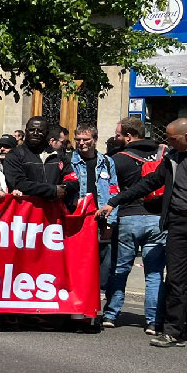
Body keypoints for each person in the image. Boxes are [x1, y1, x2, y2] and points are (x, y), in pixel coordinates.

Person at [99, 118, 187, 358]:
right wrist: (114, 202)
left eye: (172, 139)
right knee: (176, 280)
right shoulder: (171, 159)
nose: (166, 144)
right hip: (179, 224)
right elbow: (149, 183)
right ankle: (173, 332)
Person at [103, 117, 166, 333]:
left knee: (120, 268)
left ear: (129, 136)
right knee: (155, 272)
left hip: (129, 217)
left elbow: (110, 189)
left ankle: (111, 314)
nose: (116, 138)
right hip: (157, 218)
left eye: (118, 135)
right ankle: (153, 321)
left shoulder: (118, 159)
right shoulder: (162, 153)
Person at [71, 124, 119, 297]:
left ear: (95, 140)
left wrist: (110, 222)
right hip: (79, 220)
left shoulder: (107, 162)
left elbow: (114, 190)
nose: (81, 143)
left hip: (101, 219)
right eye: (78, 140)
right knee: (79, 264)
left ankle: (93, 302)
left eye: (86, 140)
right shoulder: (70, 161)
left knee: (103, 268)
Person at [2, 116, 78, 209]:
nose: (35, 133)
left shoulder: (59, 155)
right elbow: (18, 183)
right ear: (26, 131)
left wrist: (64, 189)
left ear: (47, 133)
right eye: (32, 130)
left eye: (40, 131)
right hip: (26, 213)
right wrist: (52, 191)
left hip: (54, 214)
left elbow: (73, 181)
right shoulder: (14, 155)